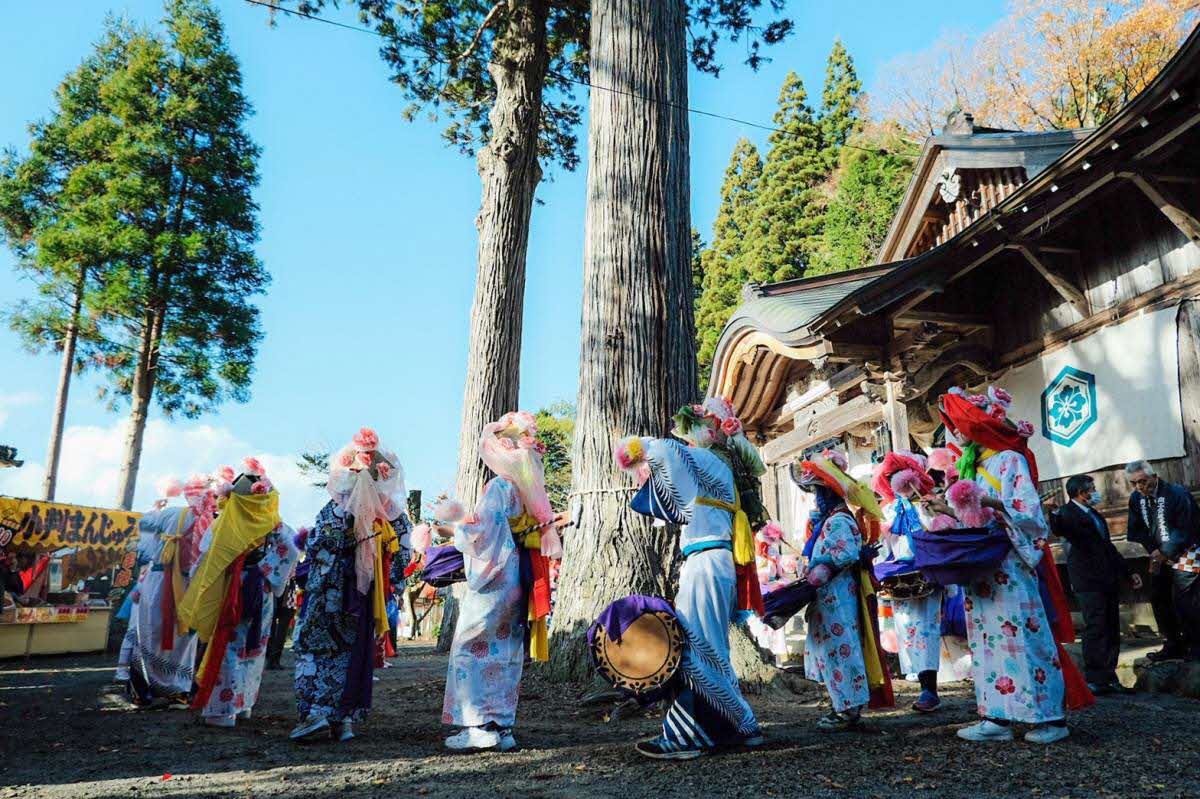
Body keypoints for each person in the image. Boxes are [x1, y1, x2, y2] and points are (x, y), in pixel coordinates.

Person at [614, 398, 767, 759]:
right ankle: (730, 728)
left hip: (707, 561)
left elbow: (665, 451)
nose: (684, 439)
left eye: (689, 432)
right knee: (709, 650)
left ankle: (700, 734)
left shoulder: (708, 459)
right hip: (712, 561)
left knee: (696, 650)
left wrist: (637, 448)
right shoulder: (718, 467)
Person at [937, 386, 1075, 744]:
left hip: (1009, 564)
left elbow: (1030, 516)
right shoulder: (971, 465)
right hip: (981, 570)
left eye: (957, 424)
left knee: (1025, 638)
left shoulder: (1008, 460)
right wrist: (945, 512)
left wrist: (994, 503)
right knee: (985, 642)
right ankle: (995, 715)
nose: (953, 432)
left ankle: (1049, 718)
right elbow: (972, 517)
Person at [438, 411, 565, 752]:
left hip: (496, 574)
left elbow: (483, 531)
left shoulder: (499, 486)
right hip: (516, 574)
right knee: (506, 649)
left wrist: (453, 530)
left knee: (470, 645)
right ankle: (502, 725)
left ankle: (477, 724)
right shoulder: (525, 490)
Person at [290, 429, 407, 743]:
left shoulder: (334, 511)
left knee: (317, 650)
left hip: (329, 591)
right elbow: (401, 560)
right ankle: (344, 720)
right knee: (351, 652)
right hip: (365, 595)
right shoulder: (391, 517)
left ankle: (316, 713)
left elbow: (317, 548)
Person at [178, 460, 300, 728]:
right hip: (262, 588)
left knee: (229, 645)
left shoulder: (226, 522)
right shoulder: (273, 522)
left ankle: (223, 710)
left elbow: (207, 555)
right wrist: (267, 572)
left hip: (234, 586)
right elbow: (291, 549)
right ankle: (244, 705)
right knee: (255, 646)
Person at [792, 451, 893, 732]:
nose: (816, 499)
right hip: (832, 596)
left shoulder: (837, 520)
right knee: (835, 649)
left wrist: (821, 565)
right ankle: (844, 704)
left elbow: (845, 553)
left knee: (841, 649)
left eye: (818, 493)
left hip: (837, 597)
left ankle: (848, 709)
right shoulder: (833, 520)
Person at [113, 475, 215, 707]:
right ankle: (176, 691)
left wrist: (156, 508)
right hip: (188, 585)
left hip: (159, 579)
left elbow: (145, 541)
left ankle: (142, 691)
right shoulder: (210, 521)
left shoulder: (170, 513)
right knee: (183, 638)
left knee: (149, 633)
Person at [1051, 475, 1142, 693]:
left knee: (1111, 626)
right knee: (1096, 627)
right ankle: (1095, 678)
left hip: (1107, 577)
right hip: (1087, 580)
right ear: (1081, 492)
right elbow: (1061, 529)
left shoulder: (1095, 515)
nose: (1095, 492)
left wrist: (1128, 573)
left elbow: (1107, 547)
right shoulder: (1066, 513)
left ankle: (1110, 677)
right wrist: (1052, 512)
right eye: (1092, 488)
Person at [872, 451, 944, 713]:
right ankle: (922, 683)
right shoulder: (889, 510)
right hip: (900, 577)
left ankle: (929, 688)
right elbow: (883, 544)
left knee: (926, 629)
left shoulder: (928, 503)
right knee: (907, 630)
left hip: (926, 573)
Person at [1125, 460, 1200, 661]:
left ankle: (1196, 645)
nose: (1140, 487)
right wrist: (1155, 551)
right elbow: (1136, 530)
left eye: (1142, 481)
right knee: (1159, 598)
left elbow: (1187, 527)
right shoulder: (1136, 499)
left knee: (1187, 601)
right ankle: (1173, 644)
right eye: (1134, 483)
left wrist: (1166, 551)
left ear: (1154, 476)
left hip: (1187, 552)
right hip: (1158, 556)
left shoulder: (1177, 493)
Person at [266, 528, 309, 670]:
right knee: (281, 624)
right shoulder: (294, 553)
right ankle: (274, 658)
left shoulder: (272, 551)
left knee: (272, 622)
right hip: (288, 588)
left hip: (275, 586)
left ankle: (271, 657)